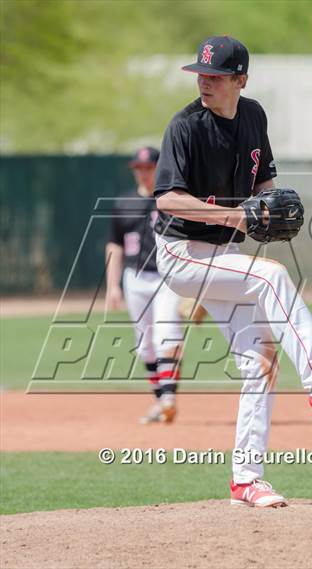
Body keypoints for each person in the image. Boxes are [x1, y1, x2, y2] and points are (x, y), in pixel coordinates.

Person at [153, 36, 312, 507]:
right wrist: (239, 217)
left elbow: (265, 183)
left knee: (260, 362)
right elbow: (168, 198)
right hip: (181, 252)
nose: (204, 82)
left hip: (223, 256)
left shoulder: (253, 116)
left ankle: (246, 479)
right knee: (272, 276)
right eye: (200, 73)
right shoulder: (185, 126)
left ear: (241, 80)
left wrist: (268, 208)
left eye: (215, 75)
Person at [105, 147, 183, 424]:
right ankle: (162, 401)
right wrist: (112, 286)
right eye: (139, 167)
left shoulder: (172, 199)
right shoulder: (123, 202)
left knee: (167, 335)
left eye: (149, 167)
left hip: (167, 277)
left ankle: (169, 398)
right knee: (145, 346)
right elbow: (114, 246)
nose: (144, 172)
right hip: (134, 278)